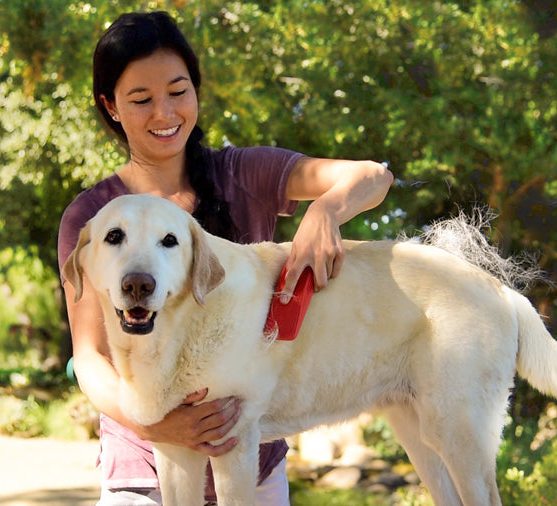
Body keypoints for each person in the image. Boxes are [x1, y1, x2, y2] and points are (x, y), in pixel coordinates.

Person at [57, 11, 393, 506]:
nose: (164, 113)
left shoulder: (243, 173)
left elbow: (373, 176)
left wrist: (326, 210)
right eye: (141, 99)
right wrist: (160, 423)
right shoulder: (93, 217)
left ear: (196, 90)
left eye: (178, 90)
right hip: (144, 471)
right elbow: (89, 357)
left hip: (251, 465)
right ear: (111, 107)